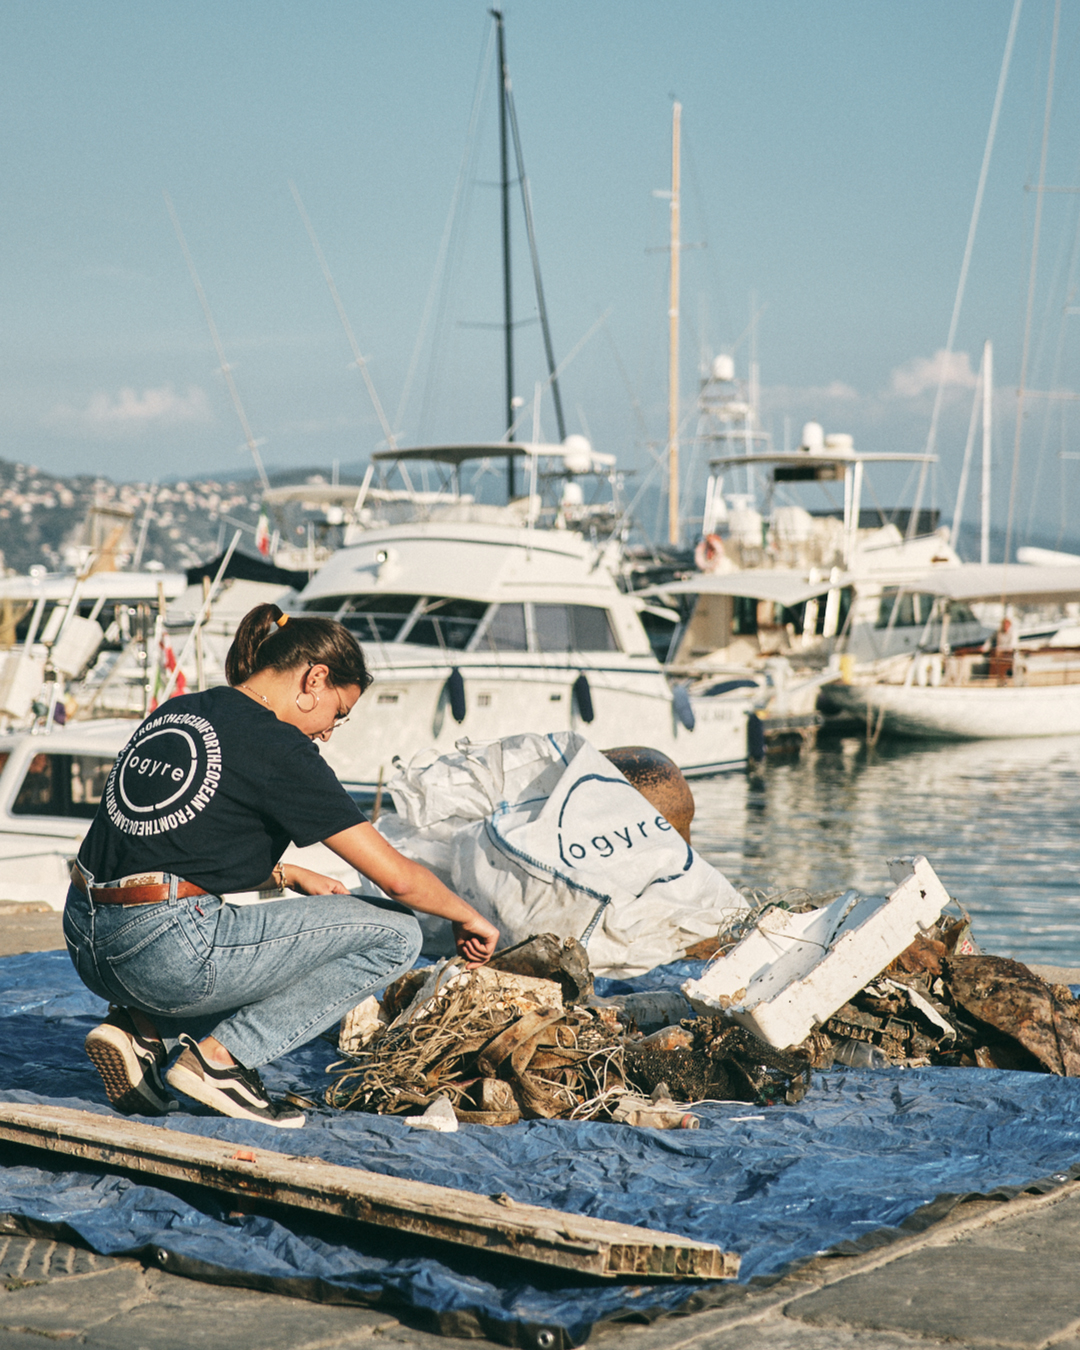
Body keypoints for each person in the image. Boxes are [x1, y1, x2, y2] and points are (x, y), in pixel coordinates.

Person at [64, 603, 499, 1128]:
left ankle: (144, 1030)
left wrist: (289, 875)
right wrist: (468, 916)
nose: (329, 732)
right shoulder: (278, 745)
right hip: (164, 950)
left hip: (87, 940)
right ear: (314, 679)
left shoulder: (179, 710)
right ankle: (220, 1062)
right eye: (338, 713)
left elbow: (174, 849)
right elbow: (398, 878)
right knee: (395, 934)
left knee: (269, 936)